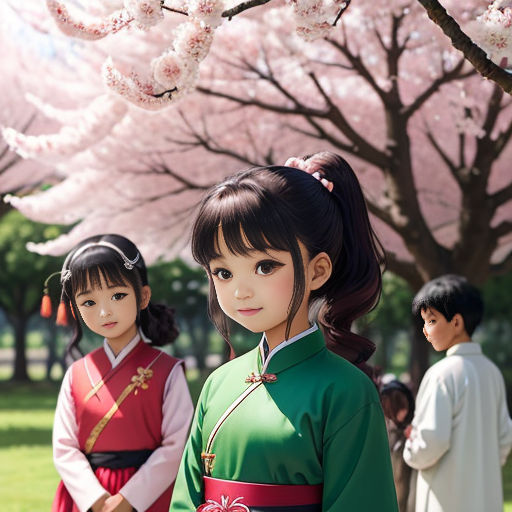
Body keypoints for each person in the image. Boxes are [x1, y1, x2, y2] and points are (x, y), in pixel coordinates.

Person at [170, 152, 399, 511]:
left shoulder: (347, 391)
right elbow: (185, 498)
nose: (240, 291)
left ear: (317, 270)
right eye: (223, 273)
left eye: (264, 266)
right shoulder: (218, 382)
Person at [49, 234, 194, 512]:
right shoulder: (76, 373)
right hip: (87, 497)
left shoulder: (167, 371)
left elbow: (177, 446)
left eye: (118, 295)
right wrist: (96, 498)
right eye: (89, 302)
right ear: (75, 308)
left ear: (143, 296)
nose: (104, 312)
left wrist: (128, 499)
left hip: (149, 497)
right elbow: (64, 447)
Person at [403, 274, 512, 512]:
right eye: (423, 322)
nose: (425, 330)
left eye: (431, 320)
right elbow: (505, 438)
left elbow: (432, 440)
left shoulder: (441, 374)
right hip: (485, 500)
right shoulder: (492, 372)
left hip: (445, 502)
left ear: (457, 322)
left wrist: (410, 447)